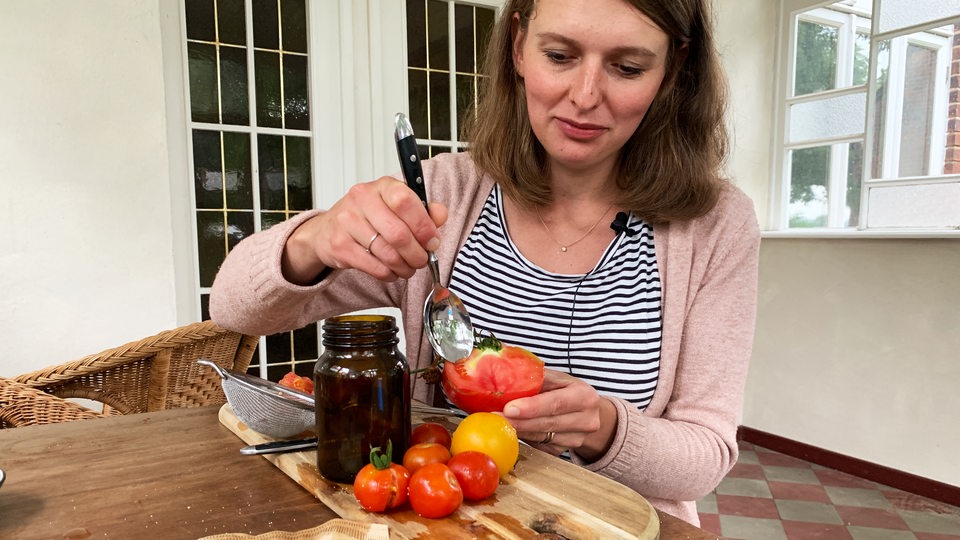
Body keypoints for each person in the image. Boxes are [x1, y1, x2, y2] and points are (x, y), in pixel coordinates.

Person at [210, 0, 759, 526]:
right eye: (560, 56)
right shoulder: (446, 195)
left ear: (674, 66)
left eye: (628, 66)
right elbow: (233, 307)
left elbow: (705, 455)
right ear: (519, 46)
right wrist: (314, 240)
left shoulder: (713, 224)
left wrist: (606, 429)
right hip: (449, 523)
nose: (586, 95)